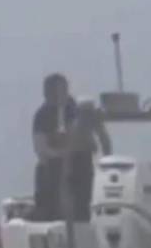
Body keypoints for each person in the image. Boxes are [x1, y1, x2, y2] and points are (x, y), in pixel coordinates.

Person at [32, 74, 110, 221]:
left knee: (82, 191)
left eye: (63, 90)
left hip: (80, 166)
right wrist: (63, 152)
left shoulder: (75, 109)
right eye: (56, 91)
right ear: (47, 93)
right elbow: (41, 149)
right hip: (53, 168)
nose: (60, 95)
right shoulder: (42, 116)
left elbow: (94, 139)